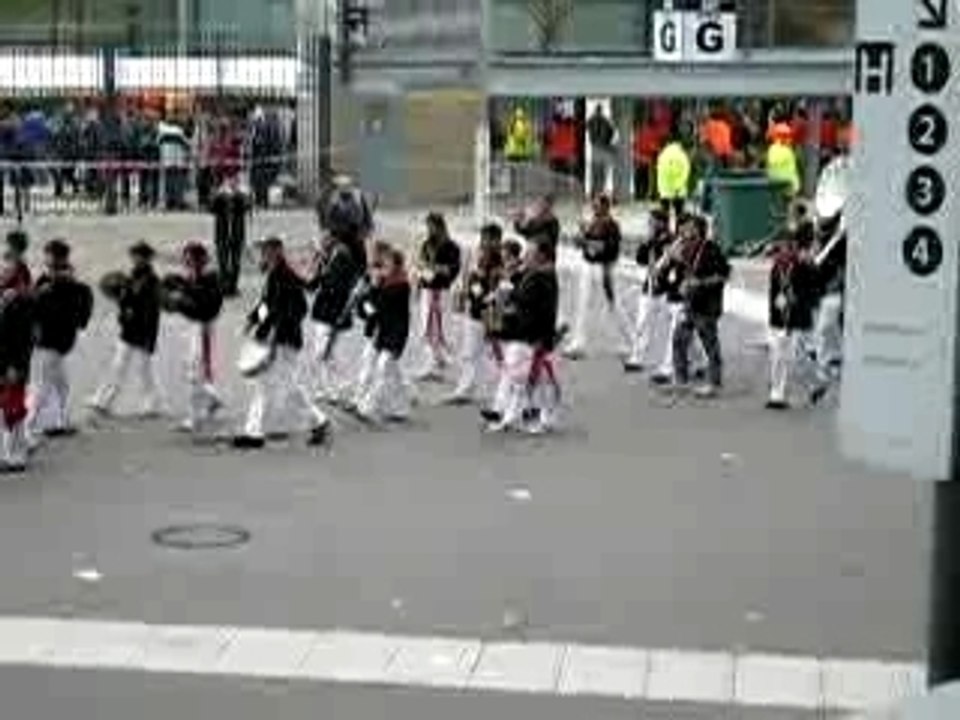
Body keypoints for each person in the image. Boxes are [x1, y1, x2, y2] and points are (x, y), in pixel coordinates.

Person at [233, 237, 330, 449]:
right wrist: (253, 319)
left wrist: (277, 330)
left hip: (284, 342)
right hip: (278, 340)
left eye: (266, 251)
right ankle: (316, 422)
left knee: (275, 386)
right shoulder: (275, 275)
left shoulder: (285, 276)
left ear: (276, 252)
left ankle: (256, 433)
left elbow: (300, 308)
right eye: (262, 252)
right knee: (279, 386)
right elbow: (267, 304)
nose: (262, 256)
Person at [487, 237, 561, 434]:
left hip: (529, 335)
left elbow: (536, 310)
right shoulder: (534, 274)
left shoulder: (542, 277)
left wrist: (508, 305)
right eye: (526, 252)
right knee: (529, 380)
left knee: (523, 380)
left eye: (530, 252)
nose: (525, 256)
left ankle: (520, 418)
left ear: (541, 255)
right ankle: (524, 417)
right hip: (528, 334)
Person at [27, 240, 93, 439]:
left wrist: (56, 285)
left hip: (55, 342)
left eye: (48, 255)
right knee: (41, 388)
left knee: (59, 385)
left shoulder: (66, 284)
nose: (46, 260)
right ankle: (26, 427)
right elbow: (34, 305)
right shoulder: (48, 282)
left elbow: (79, 314)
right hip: (47, 343)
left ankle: (57, 422)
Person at [89, 242, 164, 417]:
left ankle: (152, 404)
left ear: (146, 258)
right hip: (129, 330)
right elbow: (126, 301)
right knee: (117, 366)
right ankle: (102, 401)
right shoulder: (132, 277)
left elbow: (151, 311)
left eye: (138, 256)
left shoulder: (152, 281)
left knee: (144, 371)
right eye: (133, 255)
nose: (135, 259)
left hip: (144, 332)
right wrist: (121, 300)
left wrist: (148, 336)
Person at [163, 242, 225, 433]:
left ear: (200, 260)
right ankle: (212, 399)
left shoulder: (210, 278)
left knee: (196, 372)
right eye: (186, 259)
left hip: (204, 328)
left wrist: (181, 299)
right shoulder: (191, 278)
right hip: (193, 327)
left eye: (190, 259)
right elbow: (187, 303)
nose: (187, 263)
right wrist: (174, 301)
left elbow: (207, 307)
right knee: (193, 371)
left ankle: (194, 417)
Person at [669, 215, 730, 398]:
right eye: (684, 227)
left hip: (707, 305)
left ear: (698, 230)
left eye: (688, 227)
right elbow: (686, 272)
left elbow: (723, 276)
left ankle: (714, 383)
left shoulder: (711, 249)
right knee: (679, 339)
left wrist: (699, 283)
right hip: (690, 302)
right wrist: (682, 279)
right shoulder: (686, 249)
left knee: (710, 344)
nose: (683, 230)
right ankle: (681, 380)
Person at [566, 194, 630, 359]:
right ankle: (578, 343)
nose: (593, 208)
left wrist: (586, 242)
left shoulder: (611, 225)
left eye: (597, 205)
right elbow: (584, 244)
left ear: (606, 207)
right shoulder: (592, 223)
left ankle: (631, 340)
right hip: (588, 266)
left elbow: (610, 249)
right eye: (593, 204)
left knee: (614, 305)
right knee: (583, 305)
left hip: (603, 268)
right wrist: (580, 237)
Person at [447, 223, 504, 405]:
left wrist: (478, 288)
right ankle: (466, 388)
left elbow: (496, 287)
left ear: (497, 240)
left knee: (496, 353)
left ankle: (505, 387)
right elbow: (469, 277)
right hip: (475, 310)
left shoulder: (499, 261)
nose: (484, 242)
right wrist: (465, 292)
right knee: (470, 352)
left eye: (488, 239)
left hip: (489, 311)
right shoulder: (478, 255)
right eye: (483, 238)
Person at [355, 247, 413, 424]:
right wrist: (362, 299)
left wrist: (370, 289)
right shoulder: (384, 282)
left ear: (396, 265)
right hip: (383, 332)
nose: (383, 266)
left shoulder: (401, 285)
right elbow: (370, 311)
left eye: (388, 263)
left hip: (396, 333)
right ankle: (400, 408)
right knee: (392, 372)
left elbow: (379, 306)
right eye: (384, 262)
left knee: (383, 366)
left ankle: (367, 407)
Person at [305, 228, 363, 403]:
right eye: (320, 239)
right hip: (324, 311)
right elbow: (313, 284)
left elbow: (336, 285)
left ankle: (340, 385)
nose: (321, 242)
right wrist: (316, 268)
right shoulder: (329, 256)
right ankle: (328, 387)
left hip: (333, 311)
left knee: (325, 352)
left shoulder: (341, 257)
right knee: (322, 352)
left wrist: (321, 270)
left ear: (333, 239)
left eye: (324, 239)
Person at [766, 231, 821, 410]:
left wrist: (797, 298)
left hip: (798, 318)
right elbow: (773, 294)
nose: (780, 250)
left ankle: (815, 384)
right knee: (777, 356)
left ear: (793, 247)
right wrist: (774, 317)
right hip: (780, 319)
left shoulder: (805, 266)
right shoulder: (776, 267)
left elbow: (814, 293)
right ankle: (777, 394)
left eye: (784, 246)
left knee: (798, 358)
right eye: (778, 247)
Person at [624, 208, 675, 373]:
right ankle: (637, 357)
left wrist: (656, 243)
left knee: (676, 328)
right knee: (642, 322)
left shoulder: (671, 240)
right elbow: (640, 259)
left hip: (667, 289)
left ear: (662, 223)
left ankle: (698, 361)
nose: (649, 224)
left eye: (652, 221)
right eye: (649, 222)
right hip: (650, 286)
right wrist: (647, 243)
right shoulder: (651, 239)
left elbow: (669, 263)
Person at [415, 212, 462, 381]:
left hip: (441, 291)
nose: (429, 229)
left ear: (440, 226)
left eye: (432, 226)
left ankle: (438, 360)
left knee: (441, 326)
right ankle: (434, 360)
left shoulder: (452, 246)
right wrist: (421, 274)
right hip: (427, 289)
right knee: (426, 326)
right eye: (427, 226)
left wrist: (436, 268)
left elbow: (452, 269)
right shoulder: (426, 244)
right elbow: (421, 264)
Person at [0, 250, 35, 473]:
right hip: (5, 361)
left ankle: (15, 456)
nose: (2, 272)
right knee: (10, 409)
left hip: (13, 364)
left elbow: (23, 340)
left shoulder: (21, 305)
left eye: (6, 269)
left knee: (12, 409)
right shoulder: (6, 299)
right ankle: (17, 450)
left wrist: (16, 366)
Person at [210, 175, 250, 297]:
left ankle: (233, 286)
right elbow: (211, 208)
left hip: (237, 234)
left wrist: (239, 195)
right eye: (230, 180)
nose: (232, 183)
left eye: (235, 180)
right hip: (222, 234)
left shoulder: (242, 194)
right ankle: (224, 286)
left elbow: (247, 207)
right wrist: (218, 196)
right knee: (223, 262)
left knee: (236, 263)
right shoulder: (219, 195)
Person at [655, 132, 691, 223]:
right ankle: (679, 233)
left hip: (665, 190)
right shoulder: (682, 155)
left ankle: (664, 233)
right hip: (679, 190)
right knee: (680, 215)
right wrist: (678, 185)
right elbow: (685, 171)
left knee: (664, 215)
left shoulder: (663, 155)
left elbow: (660, 172)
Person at [586, 104, 616, 198]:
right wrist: (608, 142)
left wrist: (593, 139)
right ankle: (599, 192)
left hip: (595, 147)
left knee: (595, 172)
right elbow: (612, 131)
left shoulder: (591, 120)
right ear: (601, 110)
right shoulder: (606, 120)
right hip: (602, 147)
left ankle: (593, 192)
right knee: (601, 173)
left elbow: (586, 127)